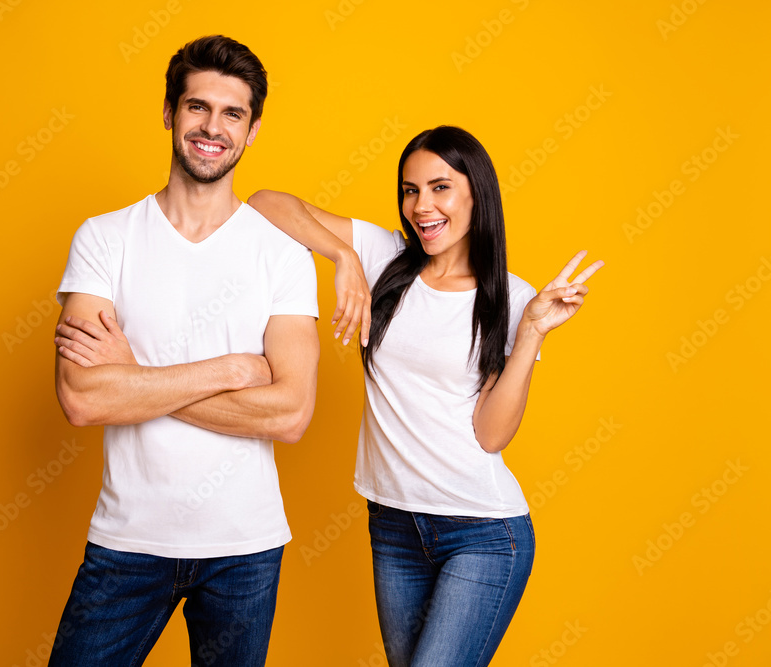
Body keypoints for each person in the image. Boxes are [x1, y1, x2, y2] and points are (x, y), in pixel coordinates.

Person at [247, 125, 603, 667]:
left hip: (483, 533)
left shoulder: (511, 296)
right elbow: (266, 202)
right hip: (393, 525)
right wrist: (343, 255)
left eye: (440, 188)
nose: (422, 206)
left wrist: (530, 332)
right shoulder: (382, 253)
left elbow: (491, 434)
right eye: (410, 190)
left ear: (475, 195)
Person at [45, 35, 320, 667]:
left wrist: (133, 379)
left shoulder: (282, 256)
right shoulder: (105, 239)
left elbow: (289, 414)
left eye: (232, 114)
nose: (212, 128)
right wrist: (232, 371)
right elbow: (83, 399)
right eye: (198, 107)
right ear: (169, 112)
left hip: (244, 548)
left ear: (252, 132)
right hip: (128, 540)